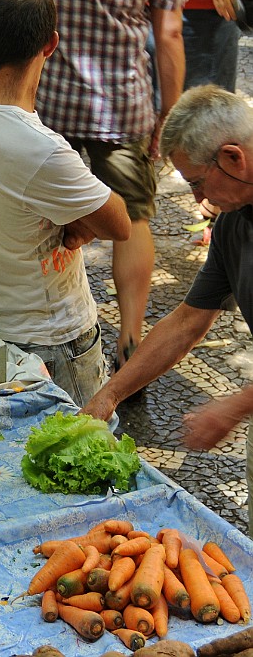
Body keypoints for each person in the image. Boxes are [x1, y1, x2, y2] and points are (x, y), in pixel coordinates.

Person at [0, 0, 187, 371]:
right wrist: (168, 112)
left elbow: (2, 1)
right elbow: (168, 33)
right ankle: (131, 336)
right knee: (135, 218)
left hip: (43, 97)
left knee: (38, 210)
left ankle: (33, 323)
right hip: (122, 104)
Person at [0, 0, 131, 406]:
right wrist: (80, 219)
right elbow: (119, 222)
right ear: (50, 44)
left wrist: (76, 216)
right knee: (87, 461)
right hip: (54, 342)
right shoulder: (40, 150)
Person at [81, 85, 253, 534]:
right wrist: (111, 393)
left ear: (234, 158)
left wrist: (235, 405)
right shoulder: (234, 220)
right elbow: (188, 320)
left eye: (197, 181)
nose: (197, 199)